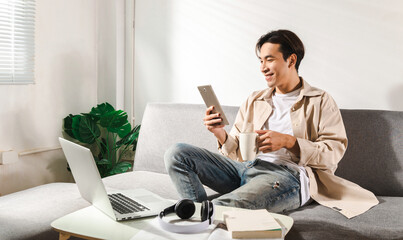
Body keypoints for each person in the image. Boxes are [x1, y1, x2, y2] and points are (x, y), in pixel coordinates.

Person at [164, 29, 378, 218]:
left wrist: (289, 141)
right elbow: (237, 151)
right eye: (260, 60)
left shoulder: (320, 100)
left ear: (291, 60)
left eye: (269, 59)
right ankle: (199, 216)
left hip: (288, 176)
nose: (262, 67)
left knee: (223, 207)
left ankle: (197, 217)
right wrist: (220, 133)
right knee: (177, 153)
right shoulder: (255, 99)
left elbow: (333, 152)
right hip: (245, 168)